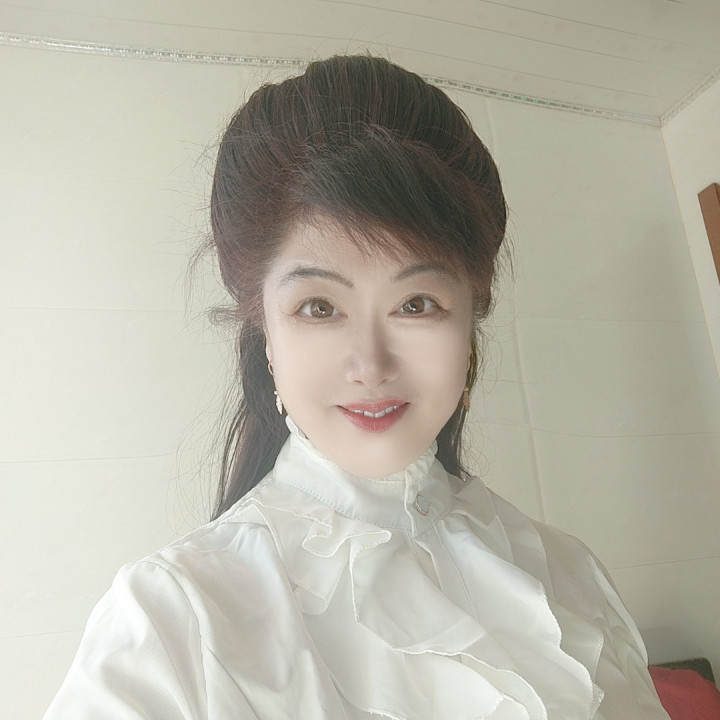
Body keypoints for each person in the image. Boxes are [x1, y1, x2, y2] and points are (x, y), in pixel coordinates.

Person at [44, 54, 670, 719]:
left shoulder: (570, 573)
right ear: (264, 331)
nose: (370, 365)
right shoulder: (173, 621)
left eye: (417, 304)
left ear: (471, 318)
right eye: (319, 307)